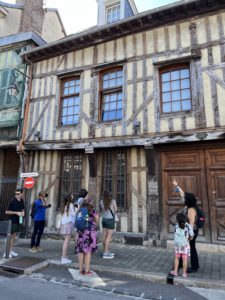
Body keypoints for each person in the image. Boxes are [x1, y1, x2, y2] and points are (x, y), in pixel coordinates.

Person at [172, 179, 200, 273]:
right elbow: (182, 194)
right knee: (183, 246)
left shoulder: (191, 210)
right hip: (186, 231)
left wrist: (189, 235)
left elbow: (191, 224)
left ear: (188, 200)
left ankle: (194, 267)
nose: (183, 198)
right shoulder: (187, 206)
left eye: (185, 198)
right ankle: (180, 263)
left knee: (191, 248)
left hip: (191, 232)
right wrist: (177, 185)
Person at [75, 197, 99, 275]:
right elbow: (97, 219)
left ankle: (80, 270)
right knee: (88, 251)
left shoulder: (80, 210)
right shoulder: (92, 210)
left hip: (80, 232)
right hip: (89, 233)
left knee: (81, 251)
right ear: (90, 203)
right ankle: (87, 271)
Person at [170, 213, 194, 277]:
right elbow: (191, 236)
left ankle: (175, 271)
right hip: (185, 245)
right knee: (185, 259)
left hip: (178, 245)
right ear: (185, 219)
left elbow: (175, 234)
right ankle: (184, 273)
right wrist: (189, 238)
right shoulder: (188, 226)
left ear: (177, 220)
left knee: (177, 258)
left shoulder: (176, 226)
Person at [5, 189, 25, 258]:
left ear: (21, 194)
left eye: (18, 194)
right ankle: (6, 252)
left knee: (14, 236)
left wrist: (23, 212)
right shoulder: (12, 201)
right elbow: (7, 212)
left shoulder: (22, 200)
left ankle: (11, 250)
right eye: (16, 193)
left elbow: (22, 208)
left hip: (19, 220)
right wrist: (16, 212)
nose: (17, 195)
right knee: (10, 237)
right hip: (12, 221)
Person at [100, 190, 117, 259]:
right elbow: (115, 209)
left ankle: (105, 250)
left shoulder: (101, 201)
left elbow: (102, 209)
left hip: (104, 219)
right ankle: (106, 252)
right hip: (110, 220)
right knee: (109, 236)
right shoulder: (112, 201)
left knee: (104, 235)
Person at [60, 194, 76, 264]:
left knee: (66, 241)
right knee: (66, 241)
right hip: (68, 224)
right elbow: (73, 214)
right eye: (72, 196)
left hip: (64, 224)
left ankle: (64, 257)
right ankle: (64, 257)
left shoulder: (65, 205)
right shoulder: (71, 205)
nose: (73, 197)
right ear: (70, 198)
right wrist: (77, 210)